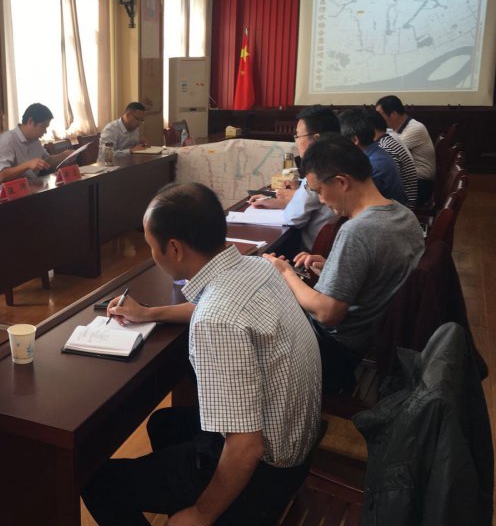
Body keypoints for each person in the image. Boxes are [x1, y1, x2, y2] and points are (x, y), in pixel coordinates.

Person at [82, 182, 322, 525]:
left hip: (267, 473)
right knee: (165, 424)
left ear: (174, 249)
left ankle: (208, 509)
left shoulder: (216, 320)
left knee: (98, 482)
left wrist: (200, 514)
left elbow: (246, 446)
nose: (152, 254)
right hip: (298, 444)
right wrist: (150, 313)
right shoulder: (257, 268)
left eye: (151, 246)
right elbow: (217, 308)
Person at [264, 134, 424, 393]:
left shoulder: (357, 231)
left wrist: (285, 273)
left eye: (319, 191)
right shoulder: (404, 215)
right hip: (371, 336)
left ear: (341, 182)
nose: (321, 200)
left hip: (334, 349)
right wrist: (331, 267)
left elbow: (328, 313)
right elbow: (379, 276)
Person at [250, 105, 339, 252]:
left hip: (308, 253)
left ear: (316, 138)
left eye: (298, 136)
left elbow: (294, 218)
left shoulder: (319, 169)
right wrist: (279, 202)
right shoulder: (339, 158)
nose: (296, 142)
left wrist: (282, 203)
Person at [339, 108, 408, 206]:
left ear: (355, 140)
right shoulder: (376, 152)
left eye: (340, 140)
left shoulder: (372, 164)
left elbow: (353, 201)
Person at [375, 95, 436, 205]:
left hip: (421, 183)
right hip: (412, 178)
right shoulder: (394, 129)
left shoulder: (415, 128)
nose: (377, 119)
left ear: (393, 114)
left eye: (380, 115)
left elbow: (386, 152)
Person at [0, 103, 73, 183]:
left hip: (33, 185)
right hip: (13, 189)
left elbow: (47, 160)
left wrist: (64, 156)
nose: (45, 131)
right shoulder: (7, 140)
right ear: (30, 121)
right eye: (43, 127)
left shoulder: (35, 140)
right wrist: (27, 165)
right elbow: (0, 176)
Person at [372, 109, 418, 208]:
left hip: (404, 207)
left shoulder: (385, 148)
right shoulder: (388, 139)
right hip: (401, 203)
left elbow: (389, 187)